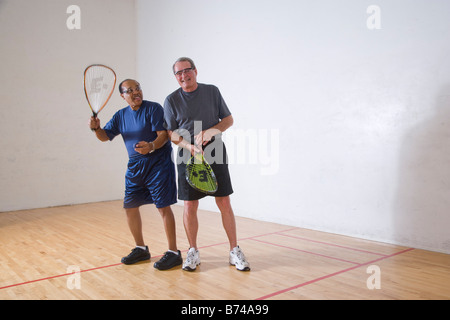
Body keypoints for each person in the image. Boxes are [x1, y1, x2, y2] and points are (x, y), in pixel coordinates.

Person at [163, 57, 250, 271]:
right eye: (178, 73)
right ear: (176, 77)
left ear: (195, 71)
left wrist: (212, 130)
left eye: (187, 70)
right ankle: (192, 252)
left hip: (214, 151)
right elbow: (171, 133)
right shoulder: (171, 100)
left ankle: (234, 251)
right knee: (190, 205)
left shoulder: (212, 91)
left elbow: (228, 120)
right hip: (187, 155)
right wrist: (188, 146)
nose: (183, 76)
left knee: (224, 202)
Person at [89, 79, 182, 270]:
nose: (136, 92)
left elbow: (163, 135)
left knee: (163, 207)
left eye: (138, 88)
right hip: (135, 167)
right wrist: (96, 128)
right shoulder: (120, 115)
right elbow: (105, 137)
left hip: (158, 164)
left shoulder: (153, 108)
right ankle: (141, 249)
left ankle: (173, 252)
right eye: (130, 90)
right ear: (122, 96)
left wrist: (151, 146)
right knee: (130, 206)